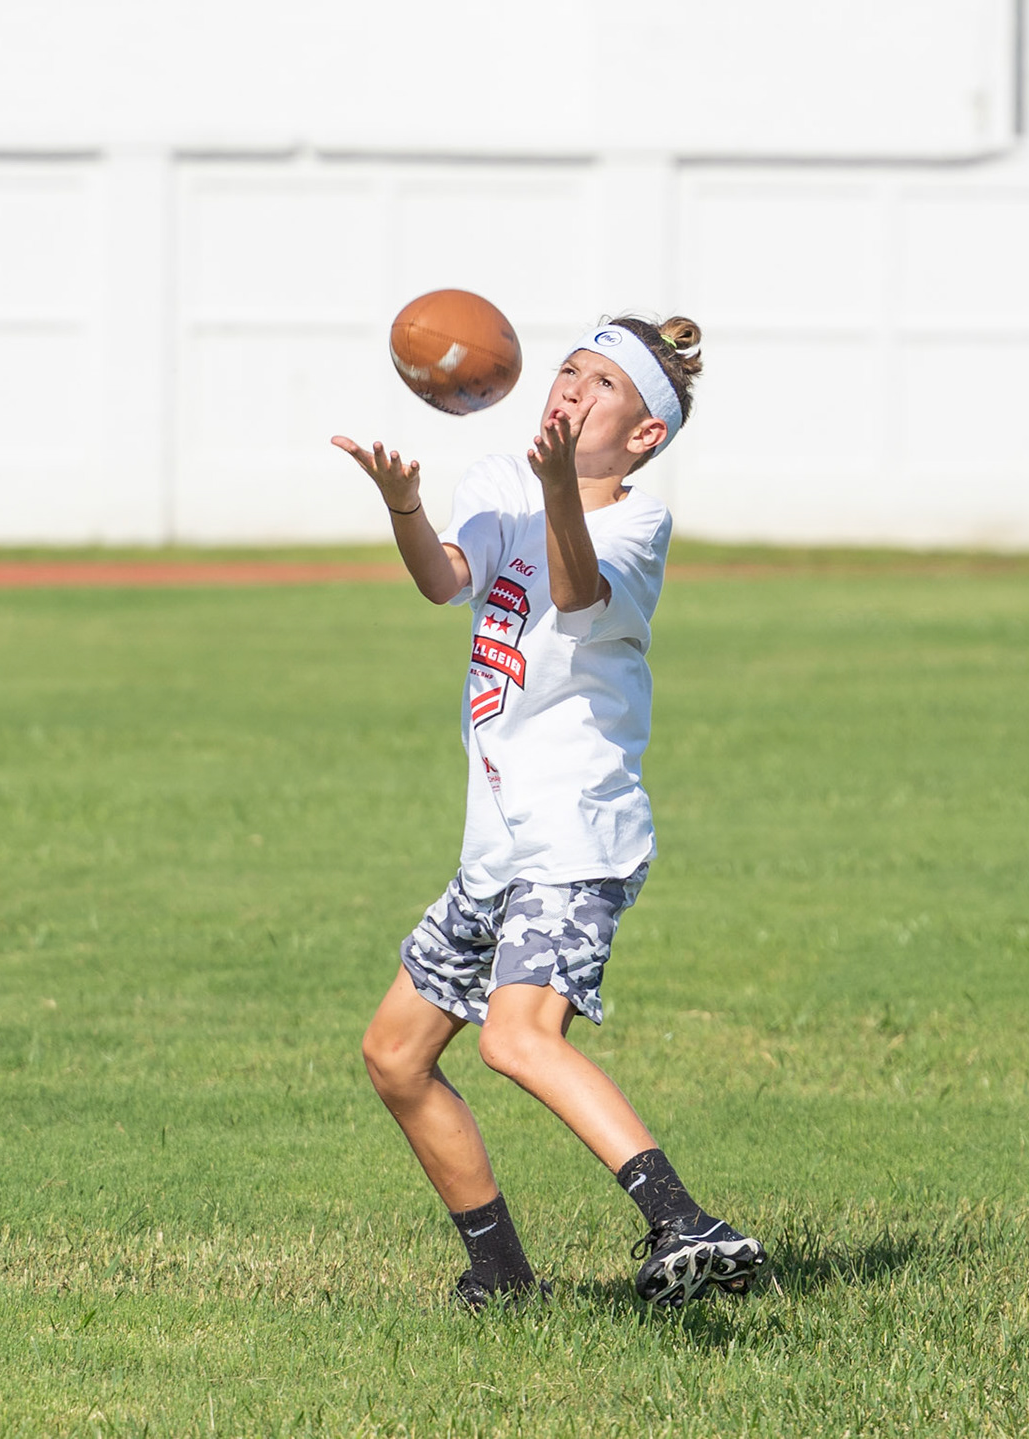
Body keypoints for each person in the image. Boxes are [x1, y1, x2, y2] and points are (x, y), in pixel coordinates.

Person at [332, 315, 765, 1310]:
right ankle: (502, 1274)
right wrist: (404, 506)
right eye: (569, 368)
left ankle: (685, 1221)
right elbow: (444, 578)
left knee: (515, 1035)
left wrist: (562, 486)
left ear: (644, 434)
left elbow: (575, 591)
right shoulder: (500, 483)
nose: (571, 386)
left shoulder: (638, 527)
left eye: (602, 383)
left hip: (576, 832)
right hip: (498, 843)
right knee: (396, 1055)